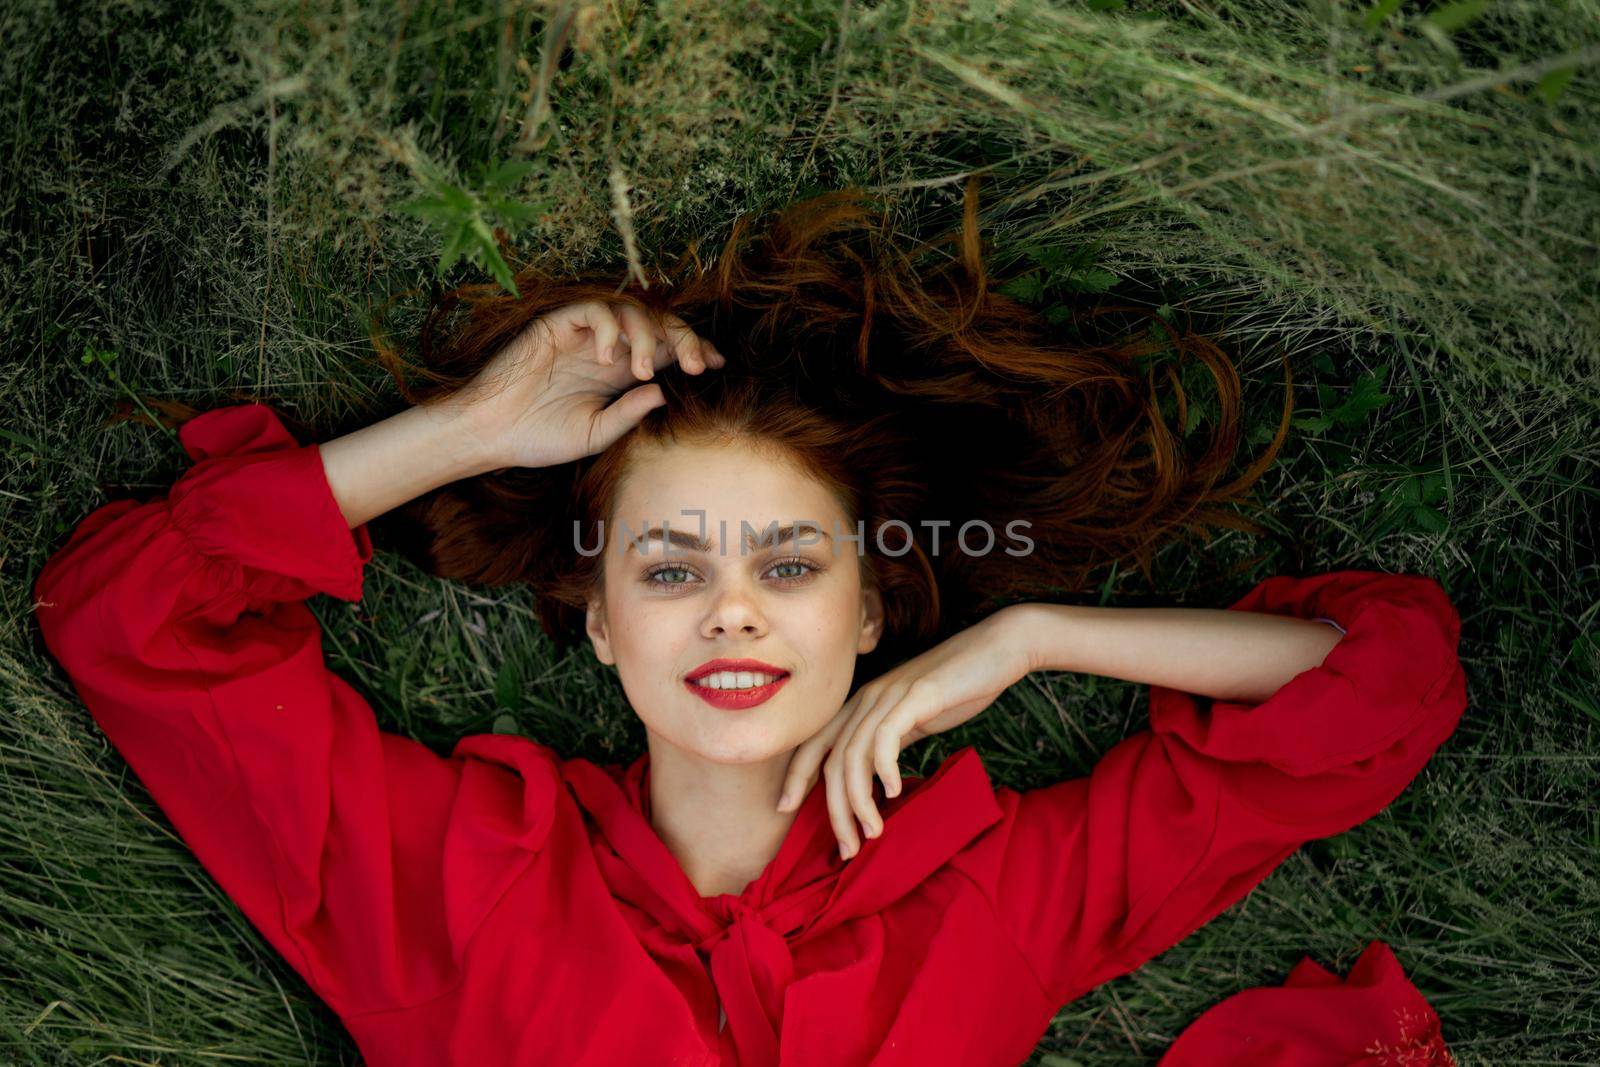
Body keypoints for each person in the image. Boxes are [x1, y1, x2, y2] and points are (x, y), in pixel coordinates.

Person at [33, 184, 1467, 1065]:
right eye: (665, 571)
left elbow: (1377, 686)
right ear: (598, 624)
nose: (730, 607)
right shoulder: (451, 881)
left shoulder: (995, 892)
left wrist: (1033, 637)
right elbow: (132, 619)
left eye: (789, 569)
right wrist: (466, 432)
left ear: (874, 611)